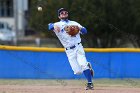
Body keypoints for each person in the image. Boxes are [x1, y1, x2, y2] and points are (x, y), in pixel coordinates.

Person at [48, 8, 94, 90]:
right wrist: (53, 25)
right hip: (69, 51)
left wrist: (79, 28)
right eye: (62, 13)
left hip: (78, 47)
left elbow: (85, 31)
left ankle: (90, 83)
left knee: (83, 64)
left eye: (66, 12)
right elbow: (49, 26)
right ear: (59, 16)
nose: (64, 13)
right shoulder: (57, 24)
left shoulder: (74, 23)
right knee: (77, 71)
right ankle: (88, 66)